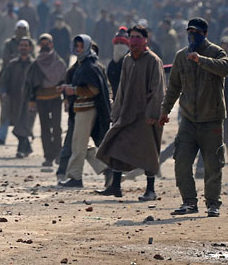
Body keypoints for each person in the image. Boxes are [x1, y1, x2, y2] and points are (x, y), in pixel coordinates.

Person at [159, 18, 228, 218]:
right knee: (181, 161)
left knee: (213, 164)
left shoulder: (216, 52)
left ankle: (213, 204)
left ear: (205, 34)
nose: (192, 35)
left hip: (212, 119)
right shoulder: (181, 56)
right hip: (188, 120)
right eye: (190, 31)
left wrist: (201, 60)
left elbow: (225, 68)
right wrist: (165, 111)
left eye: (196, 32)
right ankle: (189, 202)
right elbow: (173, 88)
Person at [95, 25, 165, 201]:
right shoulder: (127, 60)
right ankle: (115, 186)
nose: (134, 41)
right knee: (117, 146)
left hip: (145, 116)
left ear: (145, 40)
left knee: (149, 152)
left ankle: (150, 190)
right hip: (127, 114)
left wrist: (153, 113)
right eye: (131, 37)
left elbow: (157, 91)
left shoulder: (153, 61)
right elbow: (122, 90)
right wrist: (116, 112)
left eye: (137, 37)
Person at [58, 34, 111, 188]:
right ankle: (107, 169)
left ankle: (75, 177)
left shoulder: (89, 65)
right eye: (77, 46)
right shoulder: (82, 64)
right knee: (82, 146)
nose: (78, 49)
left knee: (78, 146)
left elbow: (93, 90)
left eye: (81, 46)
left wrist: (73, 90)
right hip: (81, 110)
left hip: (87, 110)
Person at [24, 33, 67, 166]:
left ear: (52, 44)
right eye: (42, 43)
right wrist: (31, 101)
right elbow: (31, 84)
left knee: (56, 127)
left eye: (47, 43)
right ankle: (48, 157)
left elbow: (64, 81)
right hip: (41, 99)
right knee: (45, 128)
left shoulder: (59, 62)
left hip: (55, 98)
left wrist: (66, 99)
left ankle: (58, 154)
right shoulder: (36, 64)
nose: (44, 46)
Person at [0, 37, 35, 158]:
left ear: (30, 48)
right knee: (17, 124)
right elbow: (4, 80)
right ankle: (27, 147)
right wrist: (3, 92)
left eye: (26, 45)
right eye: (21, 45)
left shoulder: (34, 65)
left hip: (30, 101)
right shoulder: (12, 64)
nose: (23, 47)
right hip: (14, 100)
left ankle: (21, 150)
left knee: (23, 125)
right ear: (18, 47)